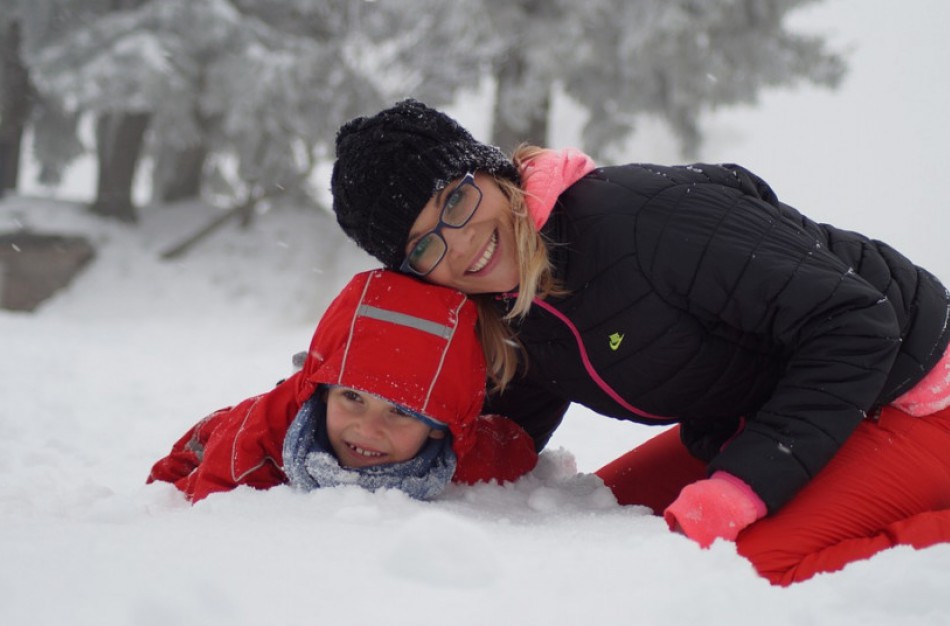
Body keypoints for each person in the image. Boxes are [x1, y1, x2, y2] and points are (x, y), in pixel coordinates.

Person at [327, 98, 950, 584]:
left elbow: (856, 321)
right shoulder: (508, 308)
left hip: (915, 393)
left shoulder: (640, 219)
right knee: (599, 519)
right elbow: (506, 432)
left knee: (747, 576)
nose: (460, 243)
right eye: (425, 245)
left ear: (491, 174)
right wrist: (361, 442)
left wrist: (741, 487)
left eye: (456, 200)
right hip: (779, 413)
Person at [148, 268, 537, 503]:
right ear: (324, 392)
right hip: (209, 444)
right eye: (353, 398)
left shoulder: (458, 453)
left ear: (439, 427)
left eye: (400, 412)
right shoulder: (254, 442)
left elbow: (513, 449)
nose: (367, 429)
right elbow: (202, 515)